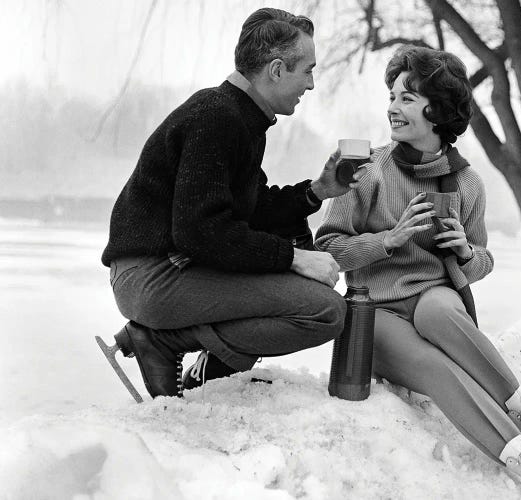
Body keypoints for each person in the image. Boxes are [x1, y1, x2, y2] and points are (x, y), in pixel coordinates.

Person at [315, 45, 521, 499]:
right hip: (373, 312)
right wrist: (388, 240)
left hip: (434, 298)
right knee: (438, 367)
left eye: (407, 98)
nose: (393, 107)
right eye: (391, 96)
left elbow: (483, 258)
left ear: (438, 110)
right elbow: (329, 248)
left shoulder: (467, 182)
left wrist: (464, 252)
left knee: (438, 313)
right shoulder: (367, 170)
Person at [99, 8, 361, 400]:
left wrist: (318, 190)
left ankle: (195, 365)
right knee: (324, 310)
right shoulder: (217, 117)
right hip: (151, 277)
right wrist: (294, 259)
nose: (310, 84)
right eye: (307, 70)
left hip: (172, 272)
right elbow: (200, 230)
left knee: (314, 295)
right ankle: (161, 340)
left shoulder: (239, 117)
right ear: (276, 69)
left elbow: (251, 211)